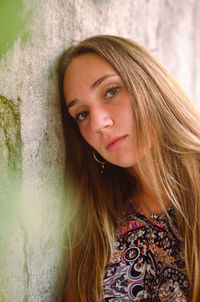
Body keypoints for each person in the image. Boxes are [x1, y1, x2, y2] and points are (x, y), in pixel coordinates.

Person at [58, 35, 200, 302]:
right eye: (82, 114)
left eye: (111, 91)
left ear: (149, 83)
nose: (98, 123)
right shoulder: (97, 223)